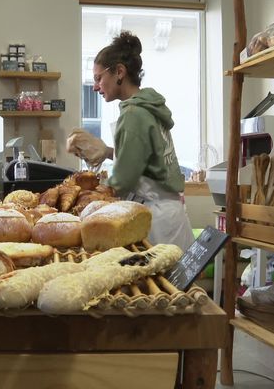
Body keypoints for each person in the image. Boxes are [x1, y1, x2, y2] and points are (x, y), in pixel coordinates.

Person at [66, 31, 194, 251]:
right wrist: (106, 151)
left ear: (119, 72)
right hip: (169, 213)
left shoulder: (134, 113)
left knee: (160, 285)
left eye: (98, 78)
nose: (95, 86)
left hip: (157, 221)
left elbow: (122, 182)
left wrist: (86, 196)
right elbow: (143, 158)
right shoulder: (147, 106)